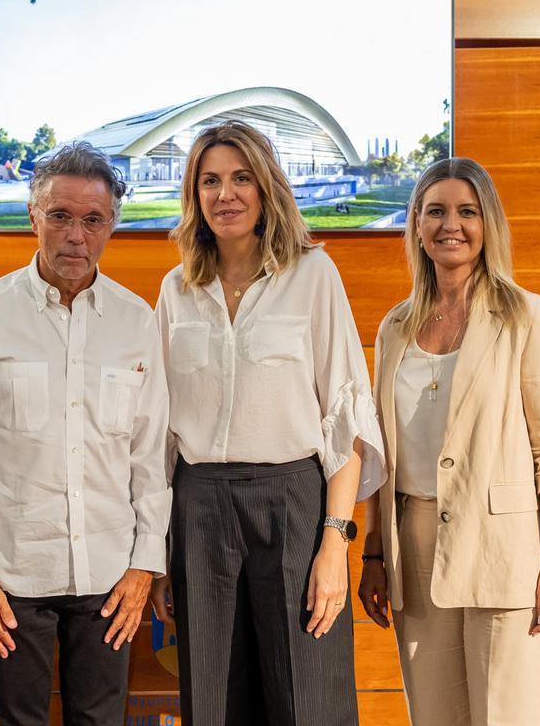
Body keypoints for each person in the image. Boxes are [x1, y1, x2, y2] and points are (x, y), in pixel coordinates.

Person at [150, 120, 386, 725]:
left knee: (306, 692)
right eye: (209, 181)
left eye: (241, 178)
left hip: (293, 502)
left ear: (266, 188)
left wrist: (336, 542)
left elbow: (346, 417)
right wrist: (156, 553)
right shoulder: (176, 290)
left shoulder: (312, 275)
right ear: (194, 196)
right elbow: (156, 433)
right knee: (212, 695)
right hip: (198, 508)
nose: (225, 194)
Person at [0, 142, 170, 725]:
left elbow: (152, 457)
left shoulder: (137, 321)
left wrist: (144, 567)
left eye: (93, 220)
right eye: (60, 216)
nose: (76, 235)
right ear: (33, 217)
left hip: (111, 578)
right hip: (11, 578)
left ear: (112, 225)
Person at [357, 157, 540, 726]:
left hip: (505, 552)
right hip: (416, 550)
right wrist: (375, 554)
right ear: (415, 224)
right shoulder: (394, 326)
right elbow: (381, 450)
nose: (449, 225)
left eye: (466, 211)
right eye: (435, 211)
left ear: (488, 225)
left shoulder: (527, 316)